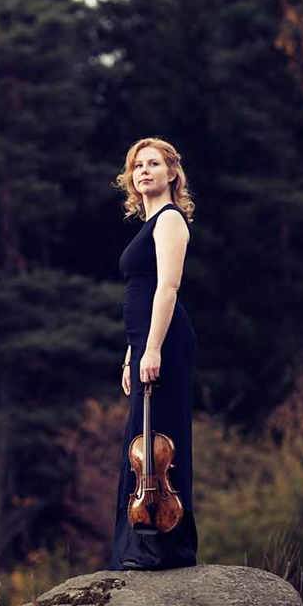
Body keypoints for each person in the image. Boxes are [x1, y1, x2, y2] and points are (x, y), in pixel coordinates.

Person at [109, 136, 198, 571]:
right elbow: (140, 294)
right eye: (137, 165)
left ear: (171, 174)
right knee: (142, 446)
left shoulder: (169, 221)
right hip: (145, 341)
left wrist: (153, 348)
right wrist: (132, 352)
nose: (143, 171)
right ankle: (139, 545)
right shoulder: (148, 224)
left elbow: (166, 288)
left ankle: (165, 547)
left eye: (153, 164)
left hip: (165, 342)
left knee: (163, 442)